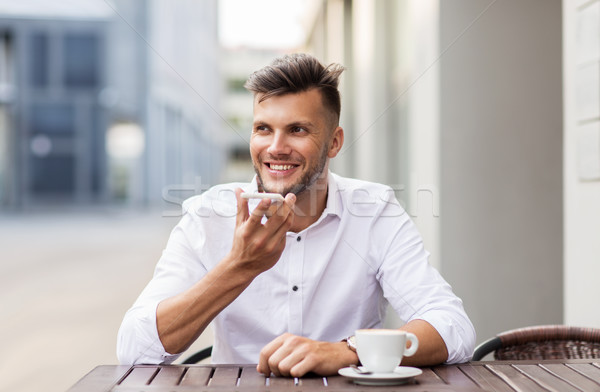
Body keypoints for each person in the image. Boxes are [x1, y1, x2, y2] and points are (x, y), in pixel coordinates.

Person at [117, 53, 475, 377]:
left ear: (334, 142)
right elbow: (135, 352)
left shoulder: (374, 211)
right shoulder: (208, 216)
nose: (275, 148)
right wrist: (239, 267)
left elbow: (453, 328)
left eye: (297, 130)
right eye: (263, 129)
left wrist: (345, 352)